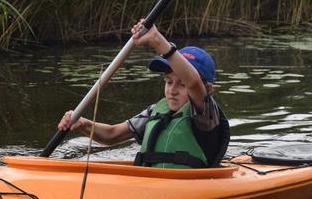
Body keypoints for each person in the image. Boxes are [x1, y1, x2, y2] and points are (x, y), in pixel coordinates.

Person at [58, 20, 230, 168]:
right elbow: (112, 134)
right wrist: (83, 124)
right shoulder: (155, 112)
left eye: (182, 84)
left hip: (190, 188)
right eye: (169, 82)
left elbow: (194, 83)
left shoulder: (205, 114)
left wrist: (157, 41)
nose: (173, 90)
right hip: (151, 187)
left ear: (208, 90)